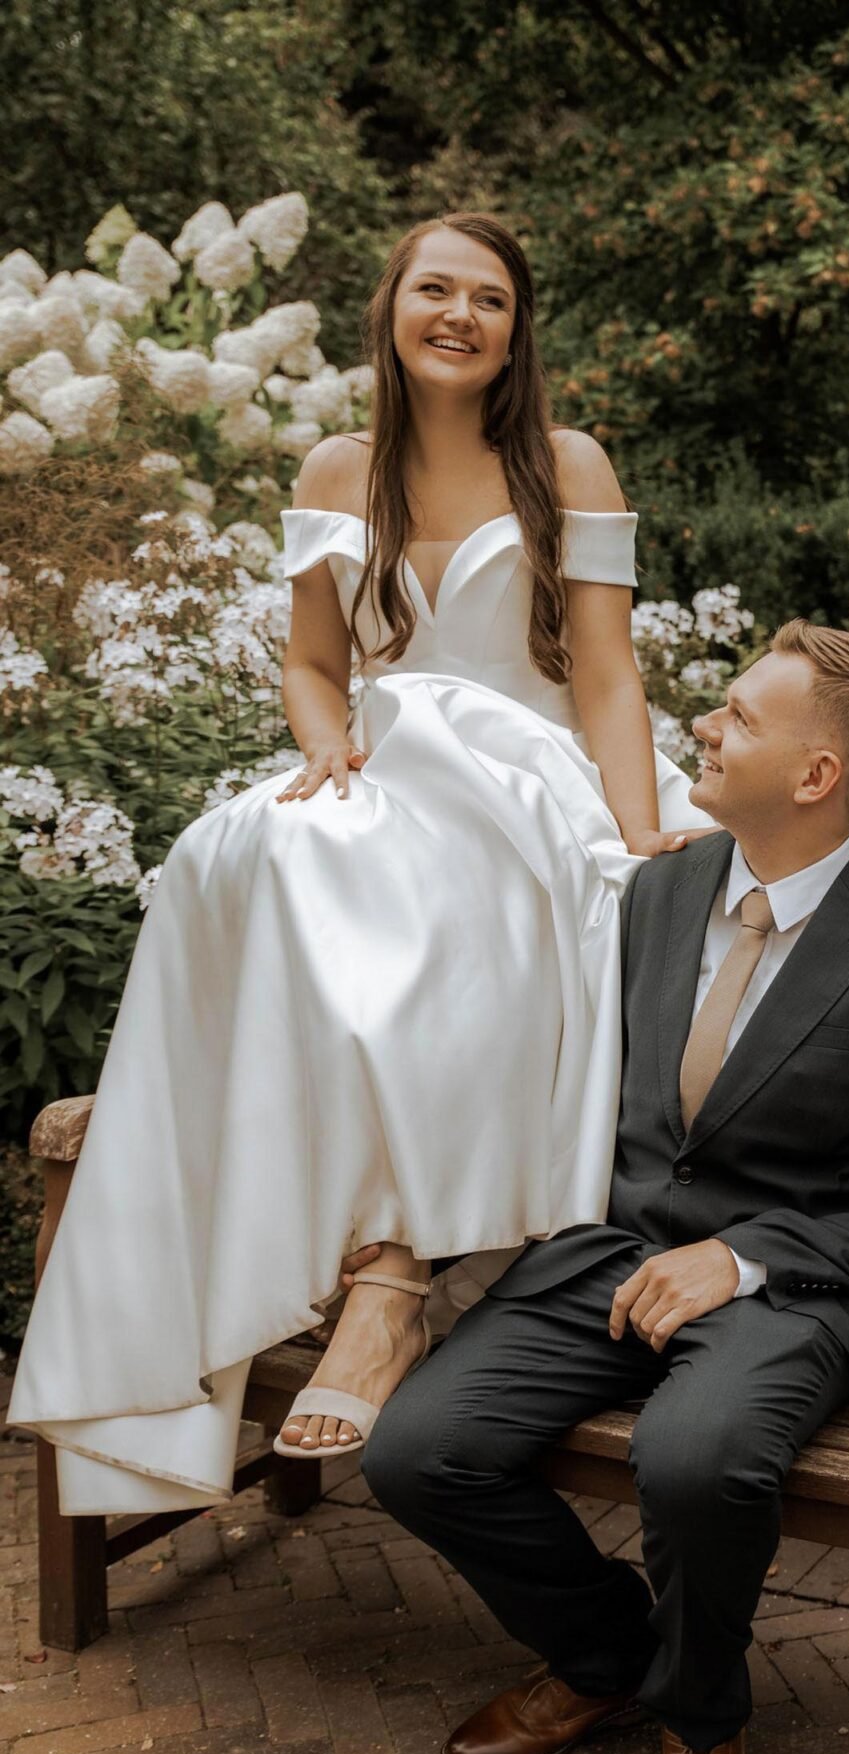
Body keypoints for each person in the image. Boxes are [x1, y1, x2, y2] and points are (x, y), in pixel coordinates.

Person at [9, 211, 705, 1512]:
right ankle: (306, 1242)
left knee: (500, 891)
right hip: (388, 760)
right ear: (390, 308)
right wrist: (325, 747)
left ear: (515, 330)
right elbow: (311, 661)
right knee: (247, 845)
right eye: (433, 289)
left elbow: (606, 676)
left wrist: (634, 825)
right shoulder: (337, 469)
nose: (458, 314)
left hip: (531, 764)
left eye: (487, 298)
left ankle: (393, 1275)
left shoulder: (567, 461)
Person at [361, 618, 849, 1754]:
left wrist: (746, 1258)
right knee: (414, 1449)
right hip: (605, 1256)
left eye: (739, 717)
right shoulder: (655, 891)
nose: (704, 726)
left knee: (694, 1459)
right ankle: (608, 1661)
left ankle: (702, 1728)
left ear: (816, 776)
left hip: (789, 1291)